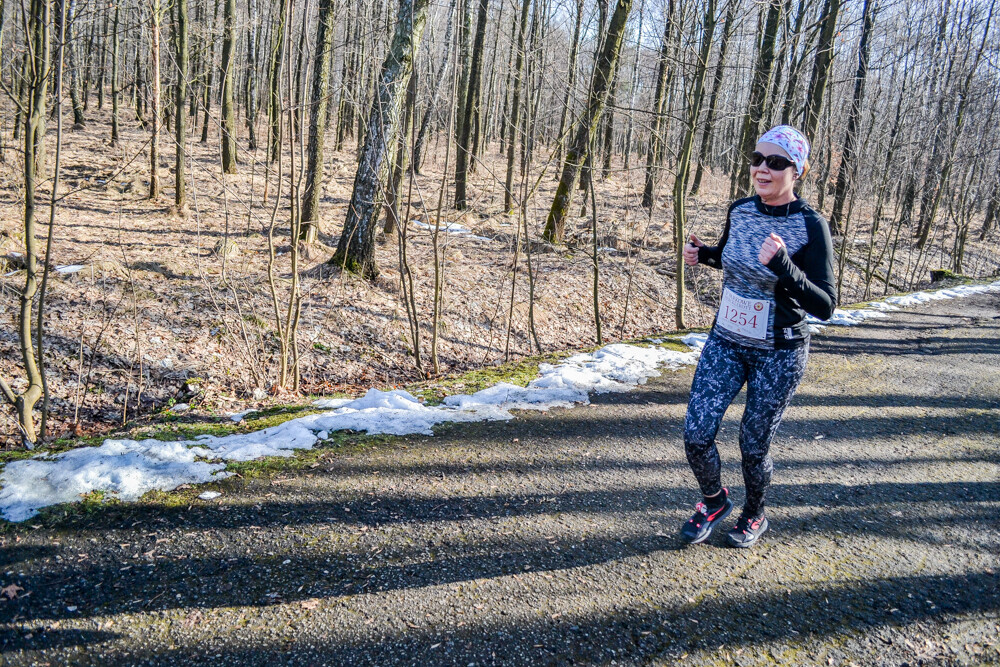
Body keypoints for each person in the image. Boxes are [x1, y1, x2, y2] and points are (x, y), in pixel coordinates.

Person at [678, 125, 837, 548]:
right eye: (758, 159)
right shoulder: (741, 210)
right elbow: (733, 258)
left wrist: (785, 264)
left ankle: (754, 513)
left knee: (752, 445)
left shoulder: (810, 225)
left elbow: (825, 304)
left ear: (797, 171)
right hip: (726, 340)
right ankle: (713, 501)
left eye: (777, 162)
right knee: (696, 435)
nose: (763, 169)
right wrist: (704, 255)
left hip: (779, 352)